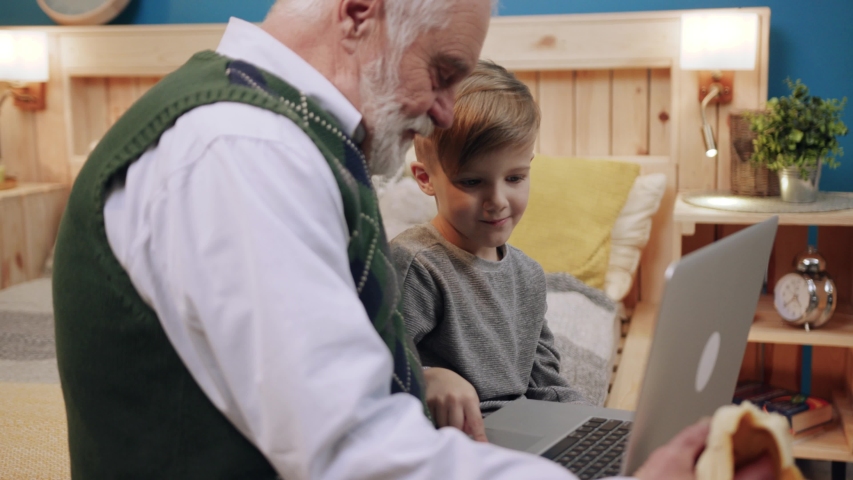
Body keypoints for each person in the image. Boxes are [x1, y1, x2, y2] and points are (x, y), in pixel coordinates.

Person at [50, 0, 775, 478]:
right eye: (442, 72)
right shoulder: (241, 151)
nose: (441, 111)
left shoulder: (293, 142)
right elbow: (353, 450)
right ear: (360, 9)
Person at [390, 60, 587, 425]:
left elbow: (545, 383)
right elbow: (372, 368)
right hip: (451, 440)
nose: (497, 200)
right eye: (471, 182)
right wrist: (425, 376)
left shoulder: (527, 274)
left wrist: (591, 424)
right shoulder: (415, 264)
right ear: (425, 178)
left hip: (520, 433)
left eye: (514, 178)